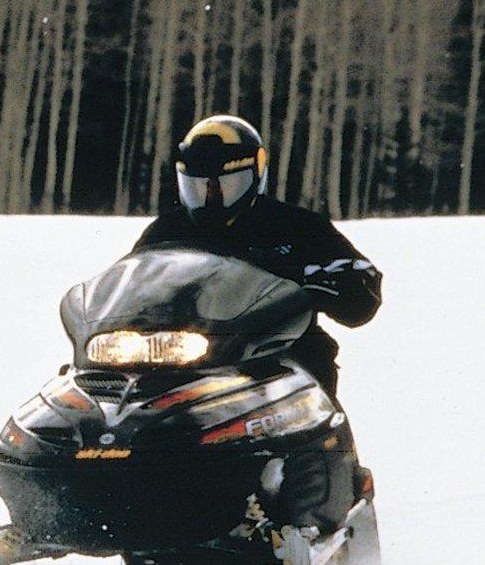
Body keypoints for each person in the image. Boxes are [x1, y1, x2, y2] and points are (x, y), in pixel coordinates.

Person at [133, 115, 381, 397]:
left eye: (226, 184)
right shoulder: (166, 231)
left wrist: (327, 282)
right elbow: (131, 282)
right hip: (185, 361)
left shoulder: (297, 226)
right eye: (200, 186)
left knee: (310, 379)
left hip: (279, 364)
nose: (212, 196)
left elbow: (361, 288)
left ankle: (320, 441)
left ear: (256, 174)